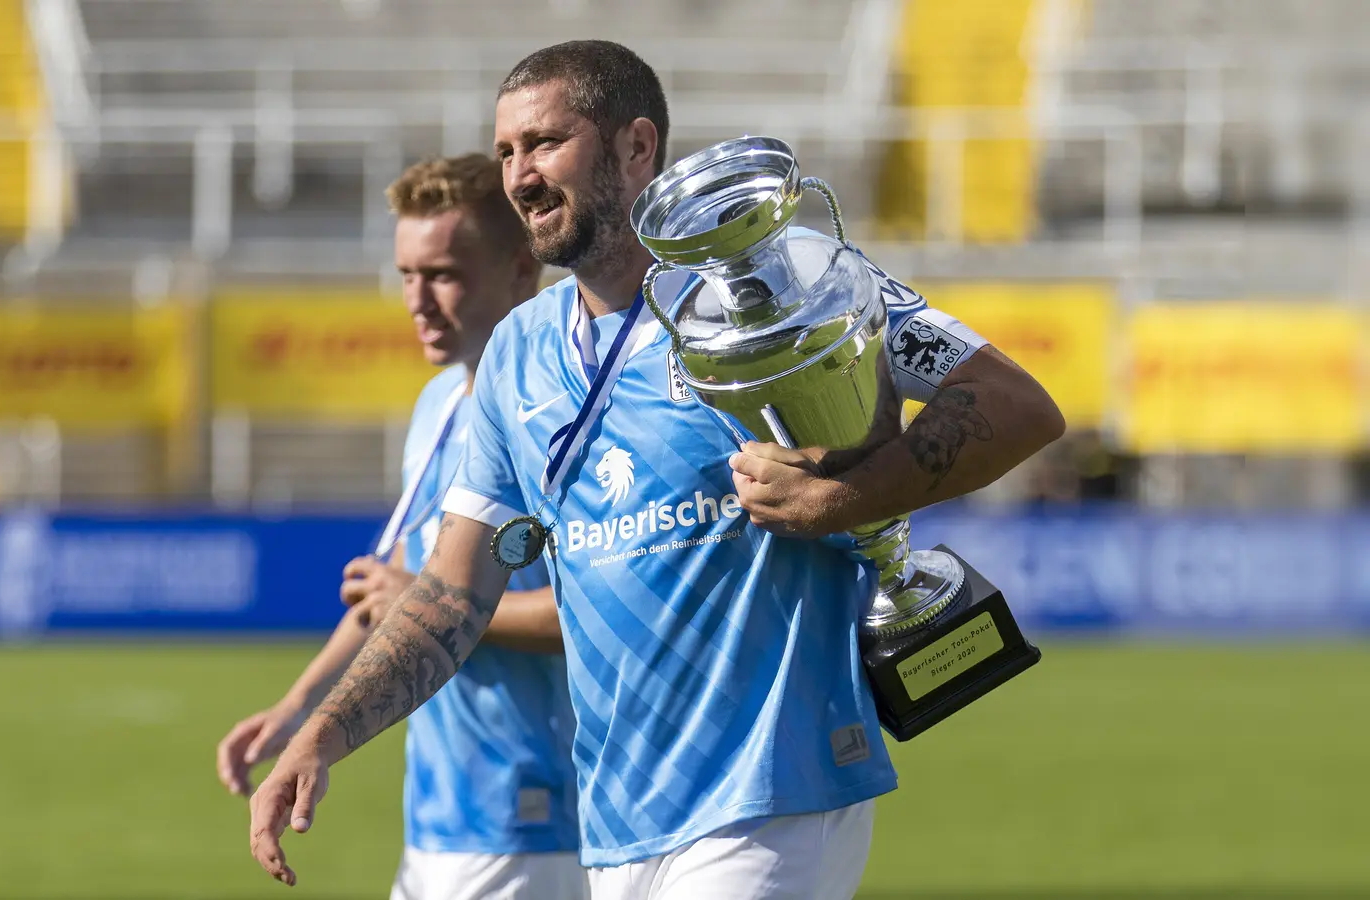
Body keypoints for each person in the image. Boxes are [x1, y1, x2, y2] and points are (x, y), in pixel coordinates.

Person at [248, 40, 1066, 900]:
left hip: (776, 791)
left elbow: (1016, 402)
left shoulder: (774, 291)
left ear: (637, 148)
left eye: (545, 143)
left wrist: (850, 497)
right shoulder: (519, 352)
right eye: (505, 151)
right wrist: (322, 732)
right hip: (615, 823)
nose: (520, 174)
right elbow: (453, 595)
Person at [218, 153, 587, 900]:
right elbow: (393, 600)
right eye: (406, 275)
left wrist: (425, 596)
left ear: (522, 269)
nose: (417, 300)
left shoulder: (567, 417)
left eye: (444, 273)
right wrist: (297, 712)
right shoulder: (437, 407)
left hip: (538, 810)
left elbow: (606, 606)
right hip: (437, 816)